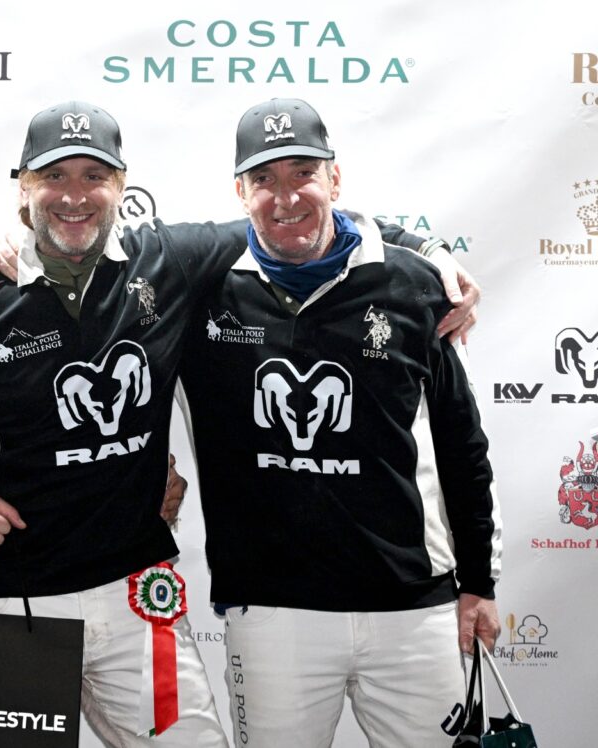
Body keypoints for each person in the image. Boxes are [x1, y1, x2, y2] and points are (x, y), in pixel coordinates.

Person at [0, 101, 471, 746]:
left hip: (137, 593)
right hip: (9, 599)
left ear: (121, 186)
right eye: (53, 177)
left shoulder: (168, 260)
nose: (74, 196)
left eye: (94, 176)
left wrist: (429, 249)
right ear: (23, 187)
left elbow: (301, 219)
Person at [175, 98, 501, 747]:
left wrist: (479, 584)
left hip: (414, 608)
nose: (285, 196)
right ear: (239, 192)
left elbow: (462, 444)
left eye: (303, 173)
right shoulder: (201, 288)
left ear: (335, 178)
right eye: (264, 179)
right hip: (273, 613)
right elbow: (90, 255)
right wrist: (15, 244)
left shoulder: (414, 284)